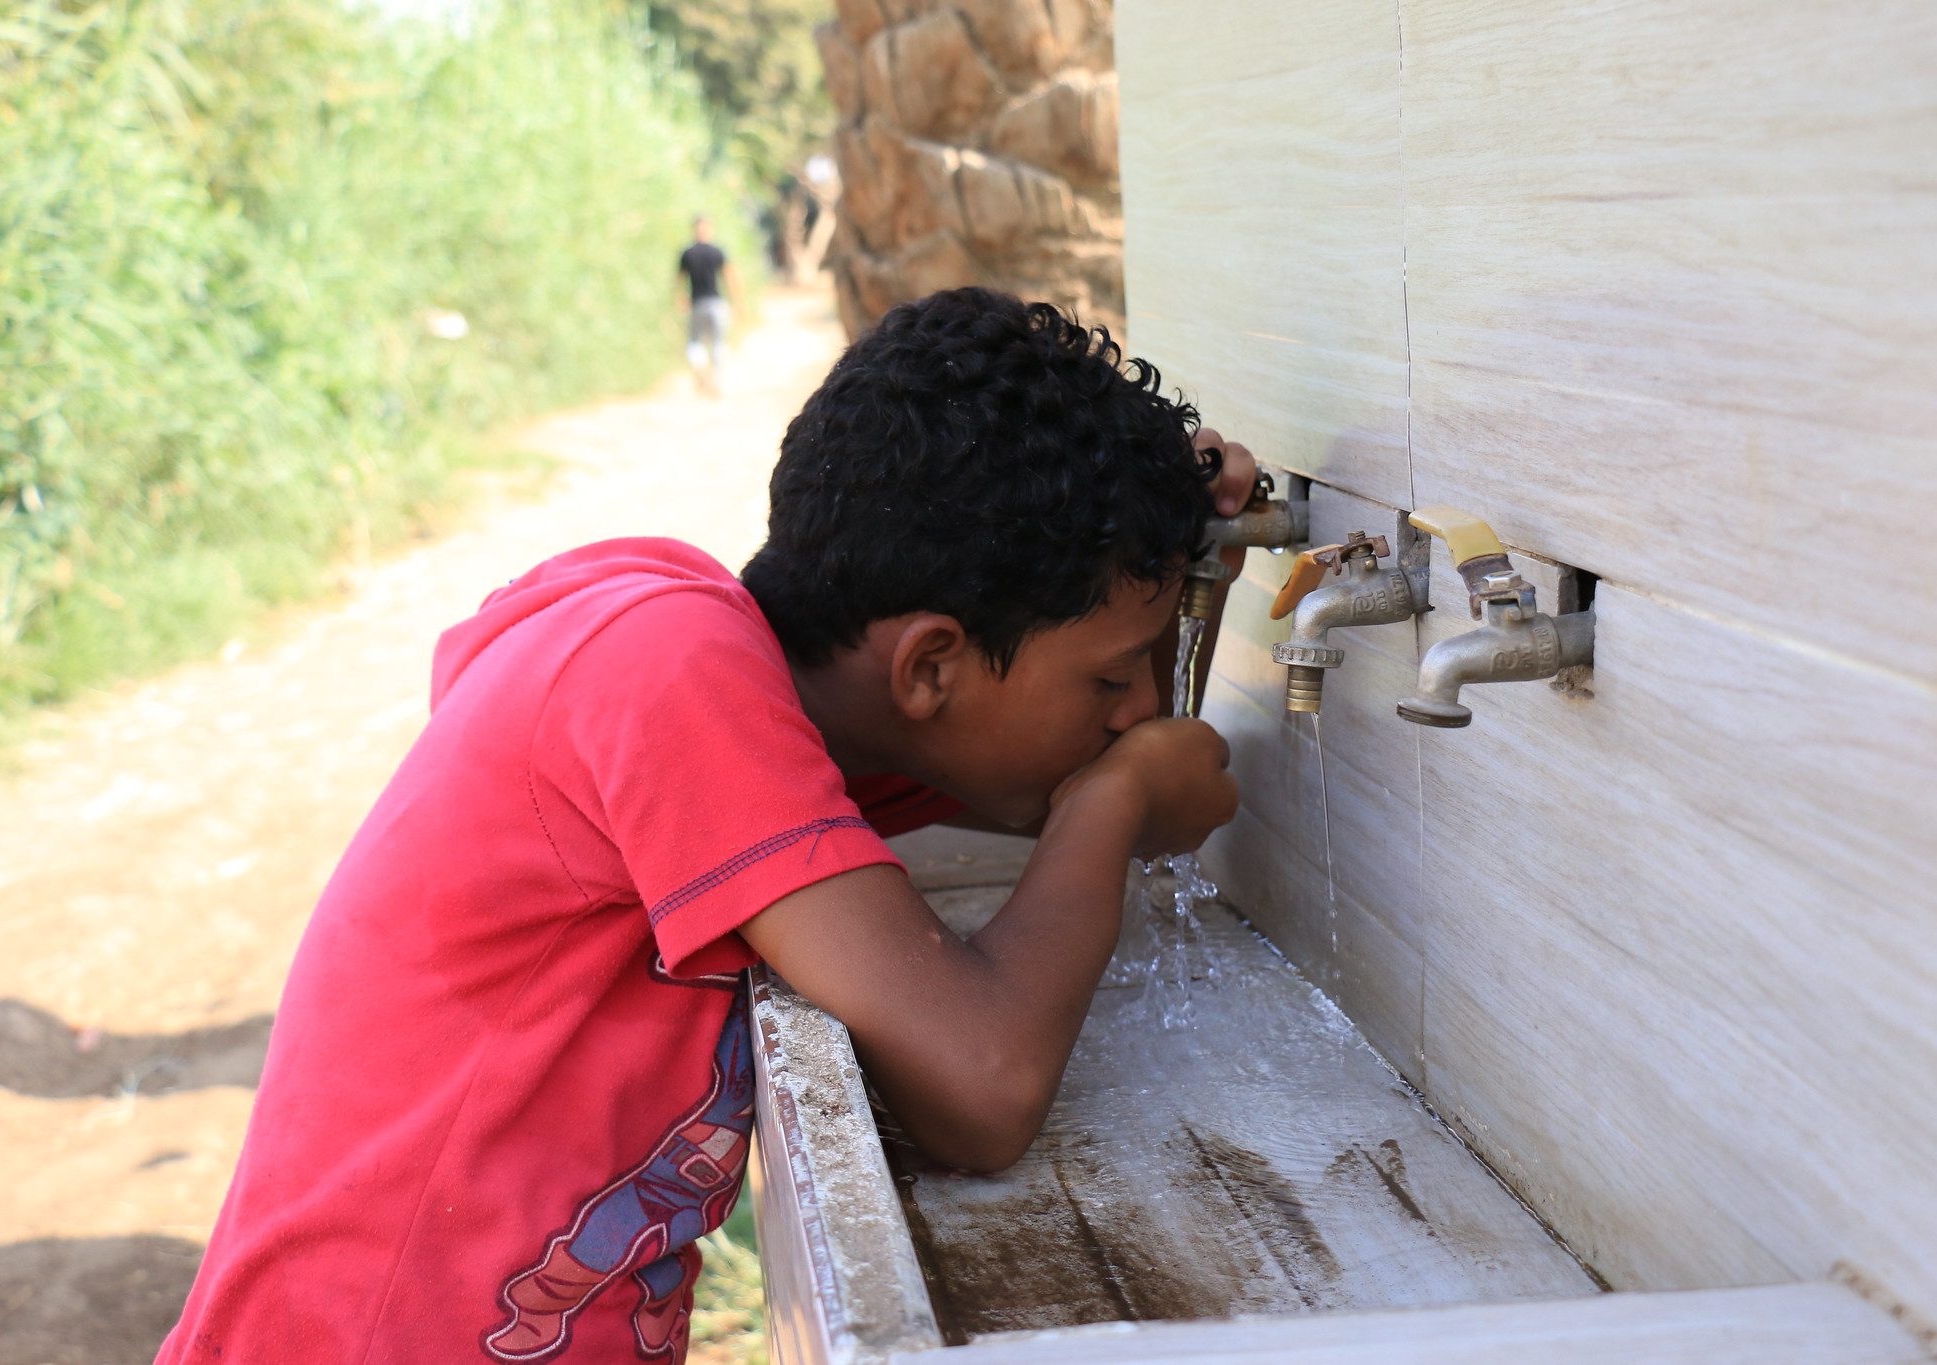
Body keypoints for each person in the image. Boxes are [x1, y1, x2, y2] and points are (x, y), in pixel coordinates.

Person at [156, 288, 1258, 1364]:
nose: (1139, 715)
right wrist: (1111, 810)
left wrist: (1176, 574)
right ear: (928, 666)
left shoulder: (779, 732)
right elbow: (982, 1089)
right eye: (1112, 678)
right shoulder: (667, 673)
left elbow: (1036, 782)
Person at [677, 216, 735, 395]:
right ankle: (717, 381)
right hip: (717, 304)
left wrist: (681, 299)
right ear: (709, 229)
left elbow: (679, 281)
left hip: (697, 305)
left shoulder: (687, 253)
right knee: (719, 343)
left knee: (695, 344)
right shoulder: (717, 251)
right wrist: (736, 301)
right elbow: (729, 277)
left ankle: (701, 371)